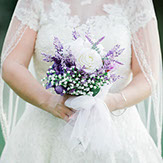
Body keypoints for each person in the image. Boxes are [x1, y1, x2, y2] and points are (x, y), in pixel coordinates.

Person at [0, 0, 163, 162]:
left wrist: (112, 102)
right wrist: (48, 101)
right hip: (45, 130)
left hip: (115, 128)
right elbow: (12, 64)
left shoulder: (135, 3)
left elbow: (147, 75)